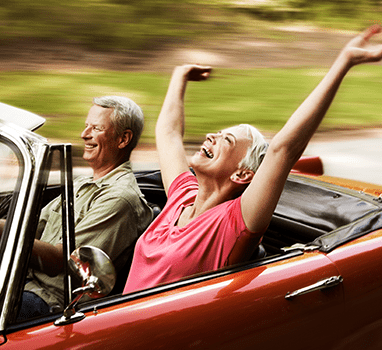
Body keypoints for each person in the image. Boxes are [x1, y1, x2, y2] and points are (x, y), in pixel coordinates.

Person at [123, 25, 382, 295]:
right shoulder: (182, 196)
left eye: (227, 140)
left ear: (243, 174)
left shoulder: (233, 223)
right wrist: (180, 75)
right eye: (218, 133)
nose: (212, 136)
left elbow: (283, 149)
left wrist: (344, 61)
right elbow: (168, 133)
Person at [0, 96, 153, 316]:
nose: (84, 135)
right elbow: (29, 229)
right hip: (16, 283)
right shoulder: (83, 183)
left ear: (123, 139)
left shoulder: (121, 200)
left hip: (46, 303)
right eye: (86, 126)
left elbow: (59, 261)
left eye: (96, 128)